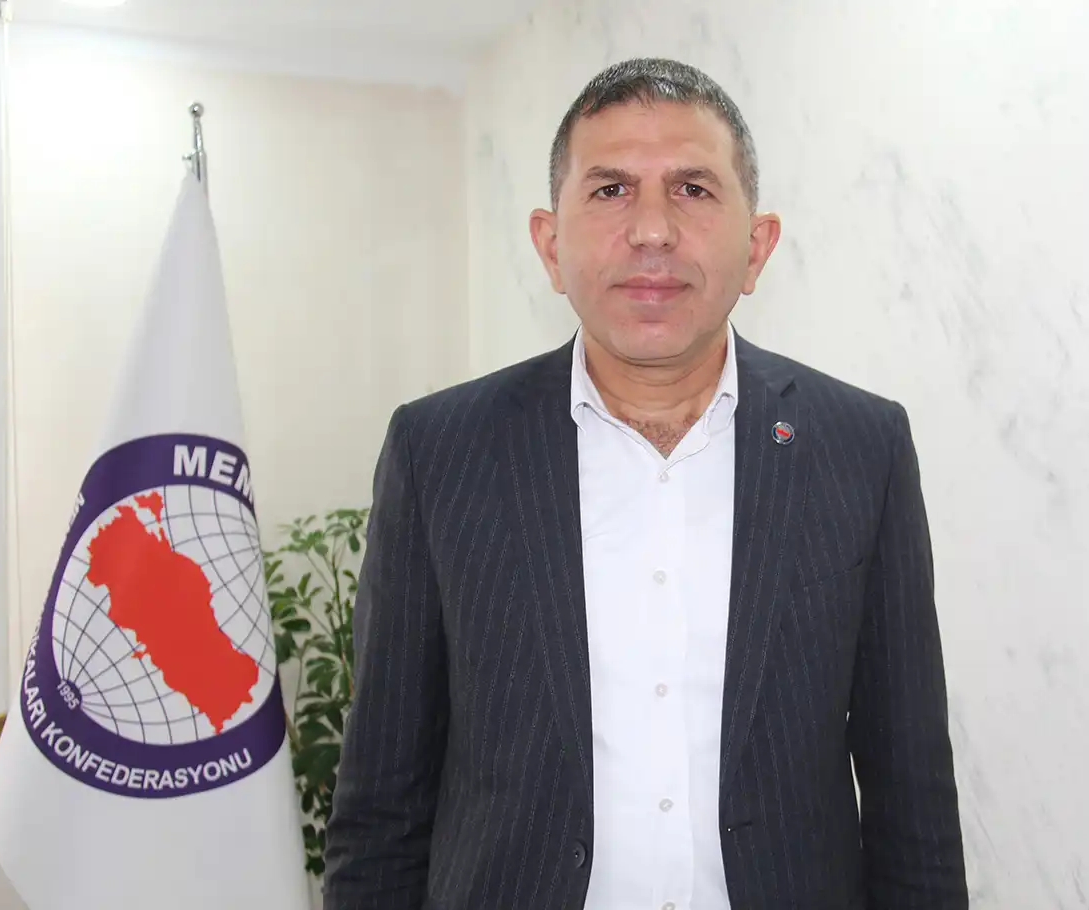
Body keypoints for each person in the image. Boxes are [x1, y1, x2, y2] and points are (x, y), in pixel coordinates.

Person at [322, 57, 968, 910]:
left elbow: (910, 792)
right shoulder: (441, 451)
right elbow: (382, 804)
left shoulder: (859, 446)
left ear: (757, 246)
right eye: (611, 190)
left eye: (693, 190)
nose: (653, 231)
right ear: (550, 246)